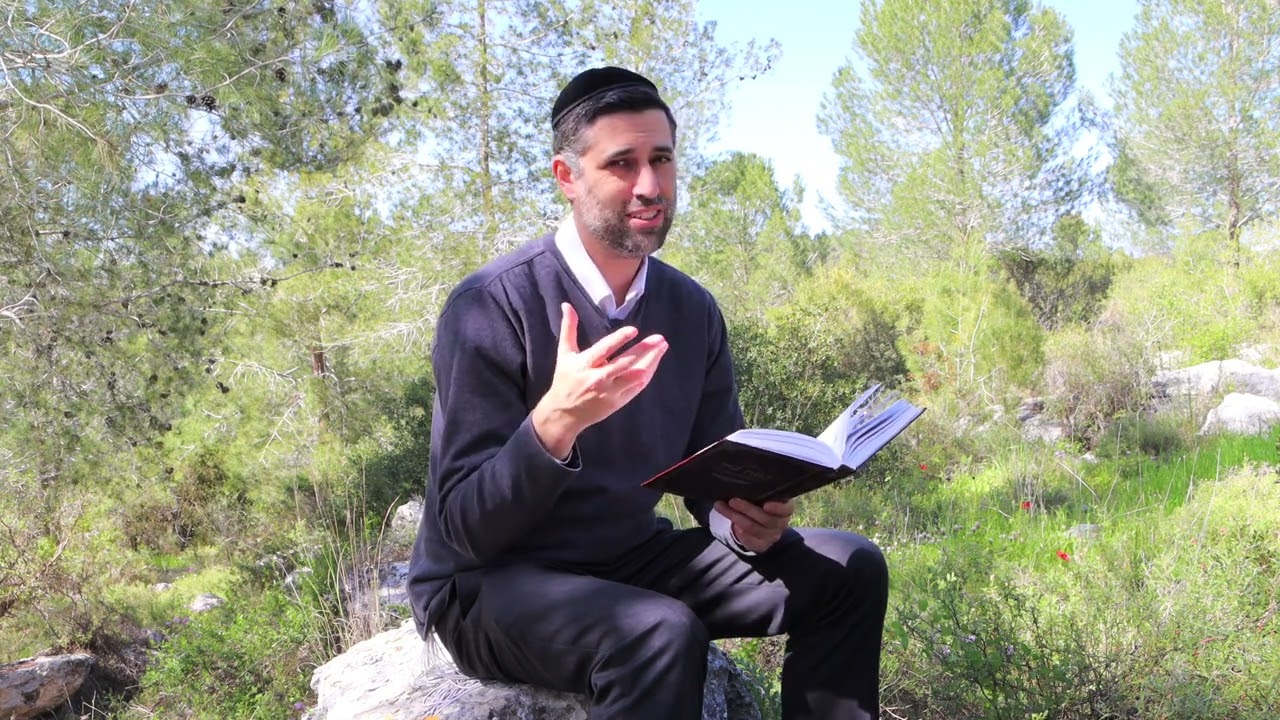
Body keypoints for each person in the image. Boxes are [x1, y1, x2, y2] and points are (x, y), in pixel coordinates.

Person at [406, 66, 889, 720]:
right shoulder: (491, 306)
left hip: (628, 559)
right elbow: (464, 529)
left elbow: (711, 471)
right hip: (488, 584)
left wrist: (743, 521)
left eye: (661, 159)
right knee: (660, 632)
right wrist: (554, 424)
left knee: (850, 567)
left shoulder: (690, 309)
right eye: (621, 163)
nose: (650, 185)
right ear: (566, 176)